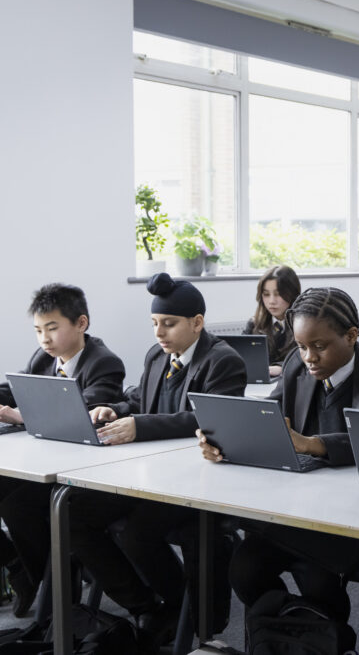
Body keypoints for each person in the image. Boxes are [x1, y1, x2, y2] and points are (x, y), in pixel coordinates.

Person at [201, 286, 359, 651]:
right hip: (299, 510)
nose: (308, 356)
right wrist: (223, 439)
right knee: (244, 569)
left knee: (315, 574)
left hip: (356, 518)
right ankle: (292, 631)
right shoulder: (296, 367)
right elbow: (265, 418)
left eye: (319, 346)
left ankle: (327, 638)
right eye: (301, 346)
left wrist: (313, 443)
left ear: (351, 336)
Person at [68, 273, 247, 647]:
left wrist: (140, 427)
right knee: (73, 513)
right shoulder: (157, 355)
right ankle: (146, 603)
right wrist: (113, 409)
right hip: (147, 475)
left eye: (169, 324)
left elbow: (205, 419)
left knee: (137, 533)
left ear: (197, 322)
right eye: (154, 324)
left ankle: (183, 605)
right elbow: (138, 399)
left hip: (193, 481)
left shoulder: (224, 362)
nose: (159, 333)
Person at [0, 283, 125, 617]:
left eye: (52, 329)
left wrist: (18, 415)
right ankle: (21, 569)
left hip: (83, 471)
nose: (44, 339)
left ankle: (53, 589)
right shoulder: (44, 356)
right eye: (38, 330)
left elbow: (79, 410)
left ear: (81, 323)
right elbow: (17, 388)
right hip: (42, 461)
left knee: (17, 506)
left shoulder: (104, 363)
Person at [243, 265, 301, 376]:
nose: (271, 301)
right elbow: (243, 358)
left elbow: (308, 361)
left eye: (278, 294)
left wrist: (282, 367)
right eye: (266, 294)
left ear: (292, 294)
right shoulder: (254, 324)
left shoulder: (304, 325)